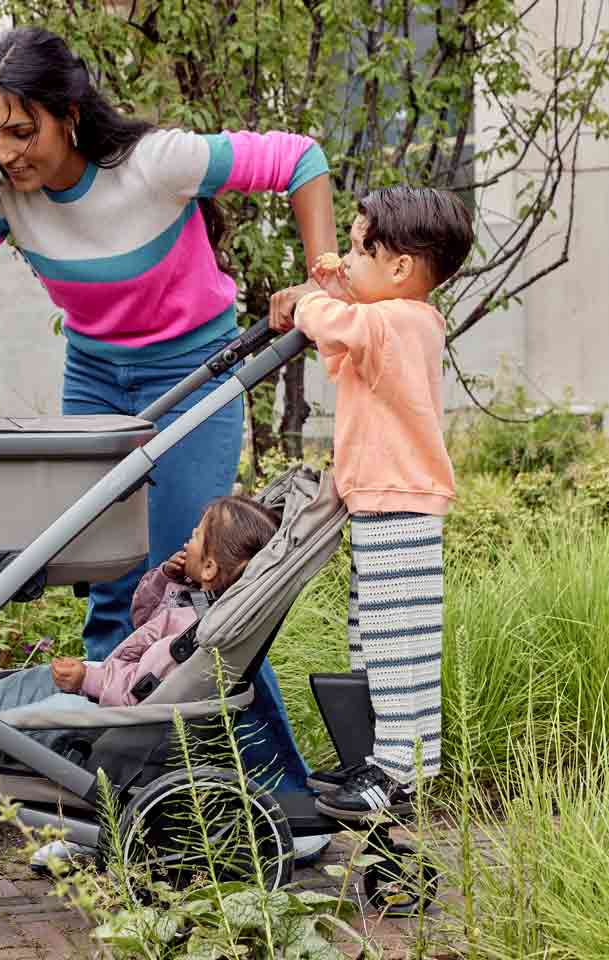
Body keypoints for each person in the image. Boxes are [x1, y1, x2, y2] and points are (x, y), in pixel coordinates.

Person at [0, 27, 336, 848]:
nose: (4, 150)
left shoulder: (155, 163)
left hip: (193, 373)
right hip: (95, 382)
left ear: (68, 116)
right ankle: (110, 807)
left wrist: (320, 272)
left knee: (202, 604)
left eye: (21, 131)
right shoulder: (5, 197)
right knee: (106, 587)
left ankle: (285, 808)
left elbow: (298, 158)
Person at [271, 186, 474, 820]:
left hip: (403, 510)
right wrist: (333, 287)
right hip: (380, 509)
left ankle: (397, 774)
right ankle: (378, 760)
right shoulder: (385, 324)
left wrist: (312, 299)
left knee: (400, 649)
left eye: (359, 249)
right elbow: (343, 338)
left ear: (399, 269)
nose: (345, 260)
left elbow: (340, 325)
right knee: (373, 641)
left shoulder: (407, 322)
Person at [0, 495, 279, 722]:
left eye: (195, 538)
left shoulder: (188, 637)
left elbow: (137, 691)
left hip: (117, 715)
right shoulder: (192, 602)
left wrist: (86, 680)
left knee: (58, 705)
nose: (185, 544)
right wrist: (168, 577)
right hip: (112, 688)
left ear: (209, 568)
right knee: (45, 677)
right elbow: (143, 617)